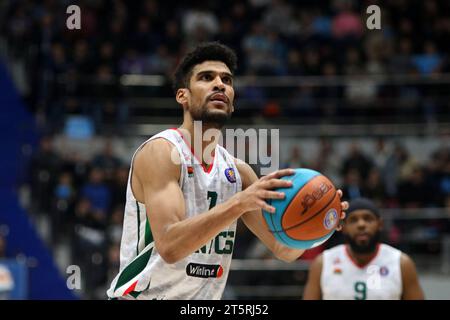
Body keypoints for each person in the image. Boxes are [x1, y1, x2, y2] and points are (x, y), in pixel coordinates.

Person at [107, 42, 348, 300]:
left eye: (227, 80)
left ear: (232, 102)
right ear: (182, 96)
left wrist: (319, 223)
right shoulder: (162, 152)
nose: (220, 84)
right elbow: (170, 246)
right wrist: (238, 204)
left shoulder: (240, 173)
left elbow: (283, 249)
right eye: (206, 78)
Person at [303, 197, 424, 300]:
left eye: (368, 218)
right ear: (343, 227)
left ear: (380, 224)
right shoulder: (323, 262)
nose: (361, 224)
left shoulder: (401, 263)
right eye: (353, 220)